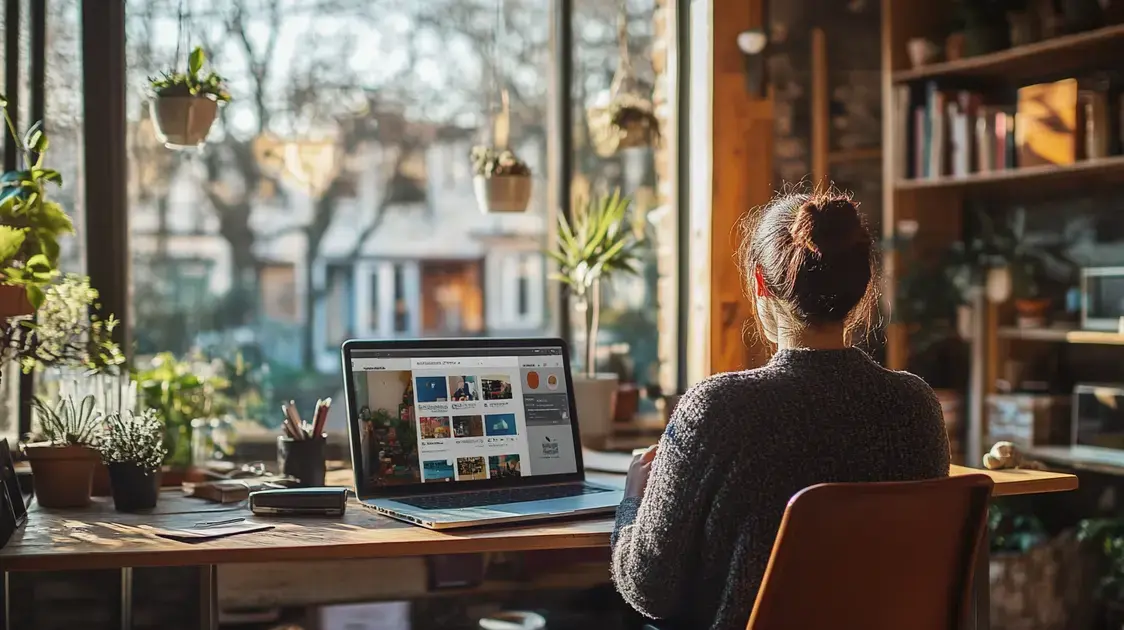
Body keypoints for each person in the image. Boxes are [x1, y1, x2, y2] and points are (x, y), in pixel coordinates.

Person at [610, 190, 950, 630]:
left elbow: (648, 587)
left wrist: (632, 503)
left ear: (759, 283)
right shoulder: (916, 407)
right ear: (865, 285)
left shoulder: (718, 409)